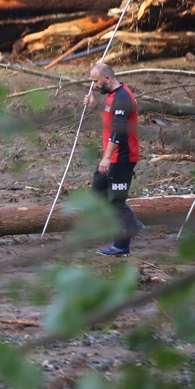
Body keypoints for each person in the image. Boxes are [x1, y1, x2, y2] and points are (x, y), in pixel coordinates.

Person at [83, 63, 143, 257]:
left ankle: (121, 245)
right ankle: (130, 222)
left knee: (116, 199)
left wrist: (107, 158)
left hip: (122, 157)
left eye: (96, 81)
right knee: (98, 190)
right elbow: (110, 120)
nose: (94, 86)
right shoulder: (112, 97)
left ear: (107, 78)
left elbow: (118, 130)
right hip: (112, 156)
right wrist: (94, 108)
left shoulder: (123, 98)